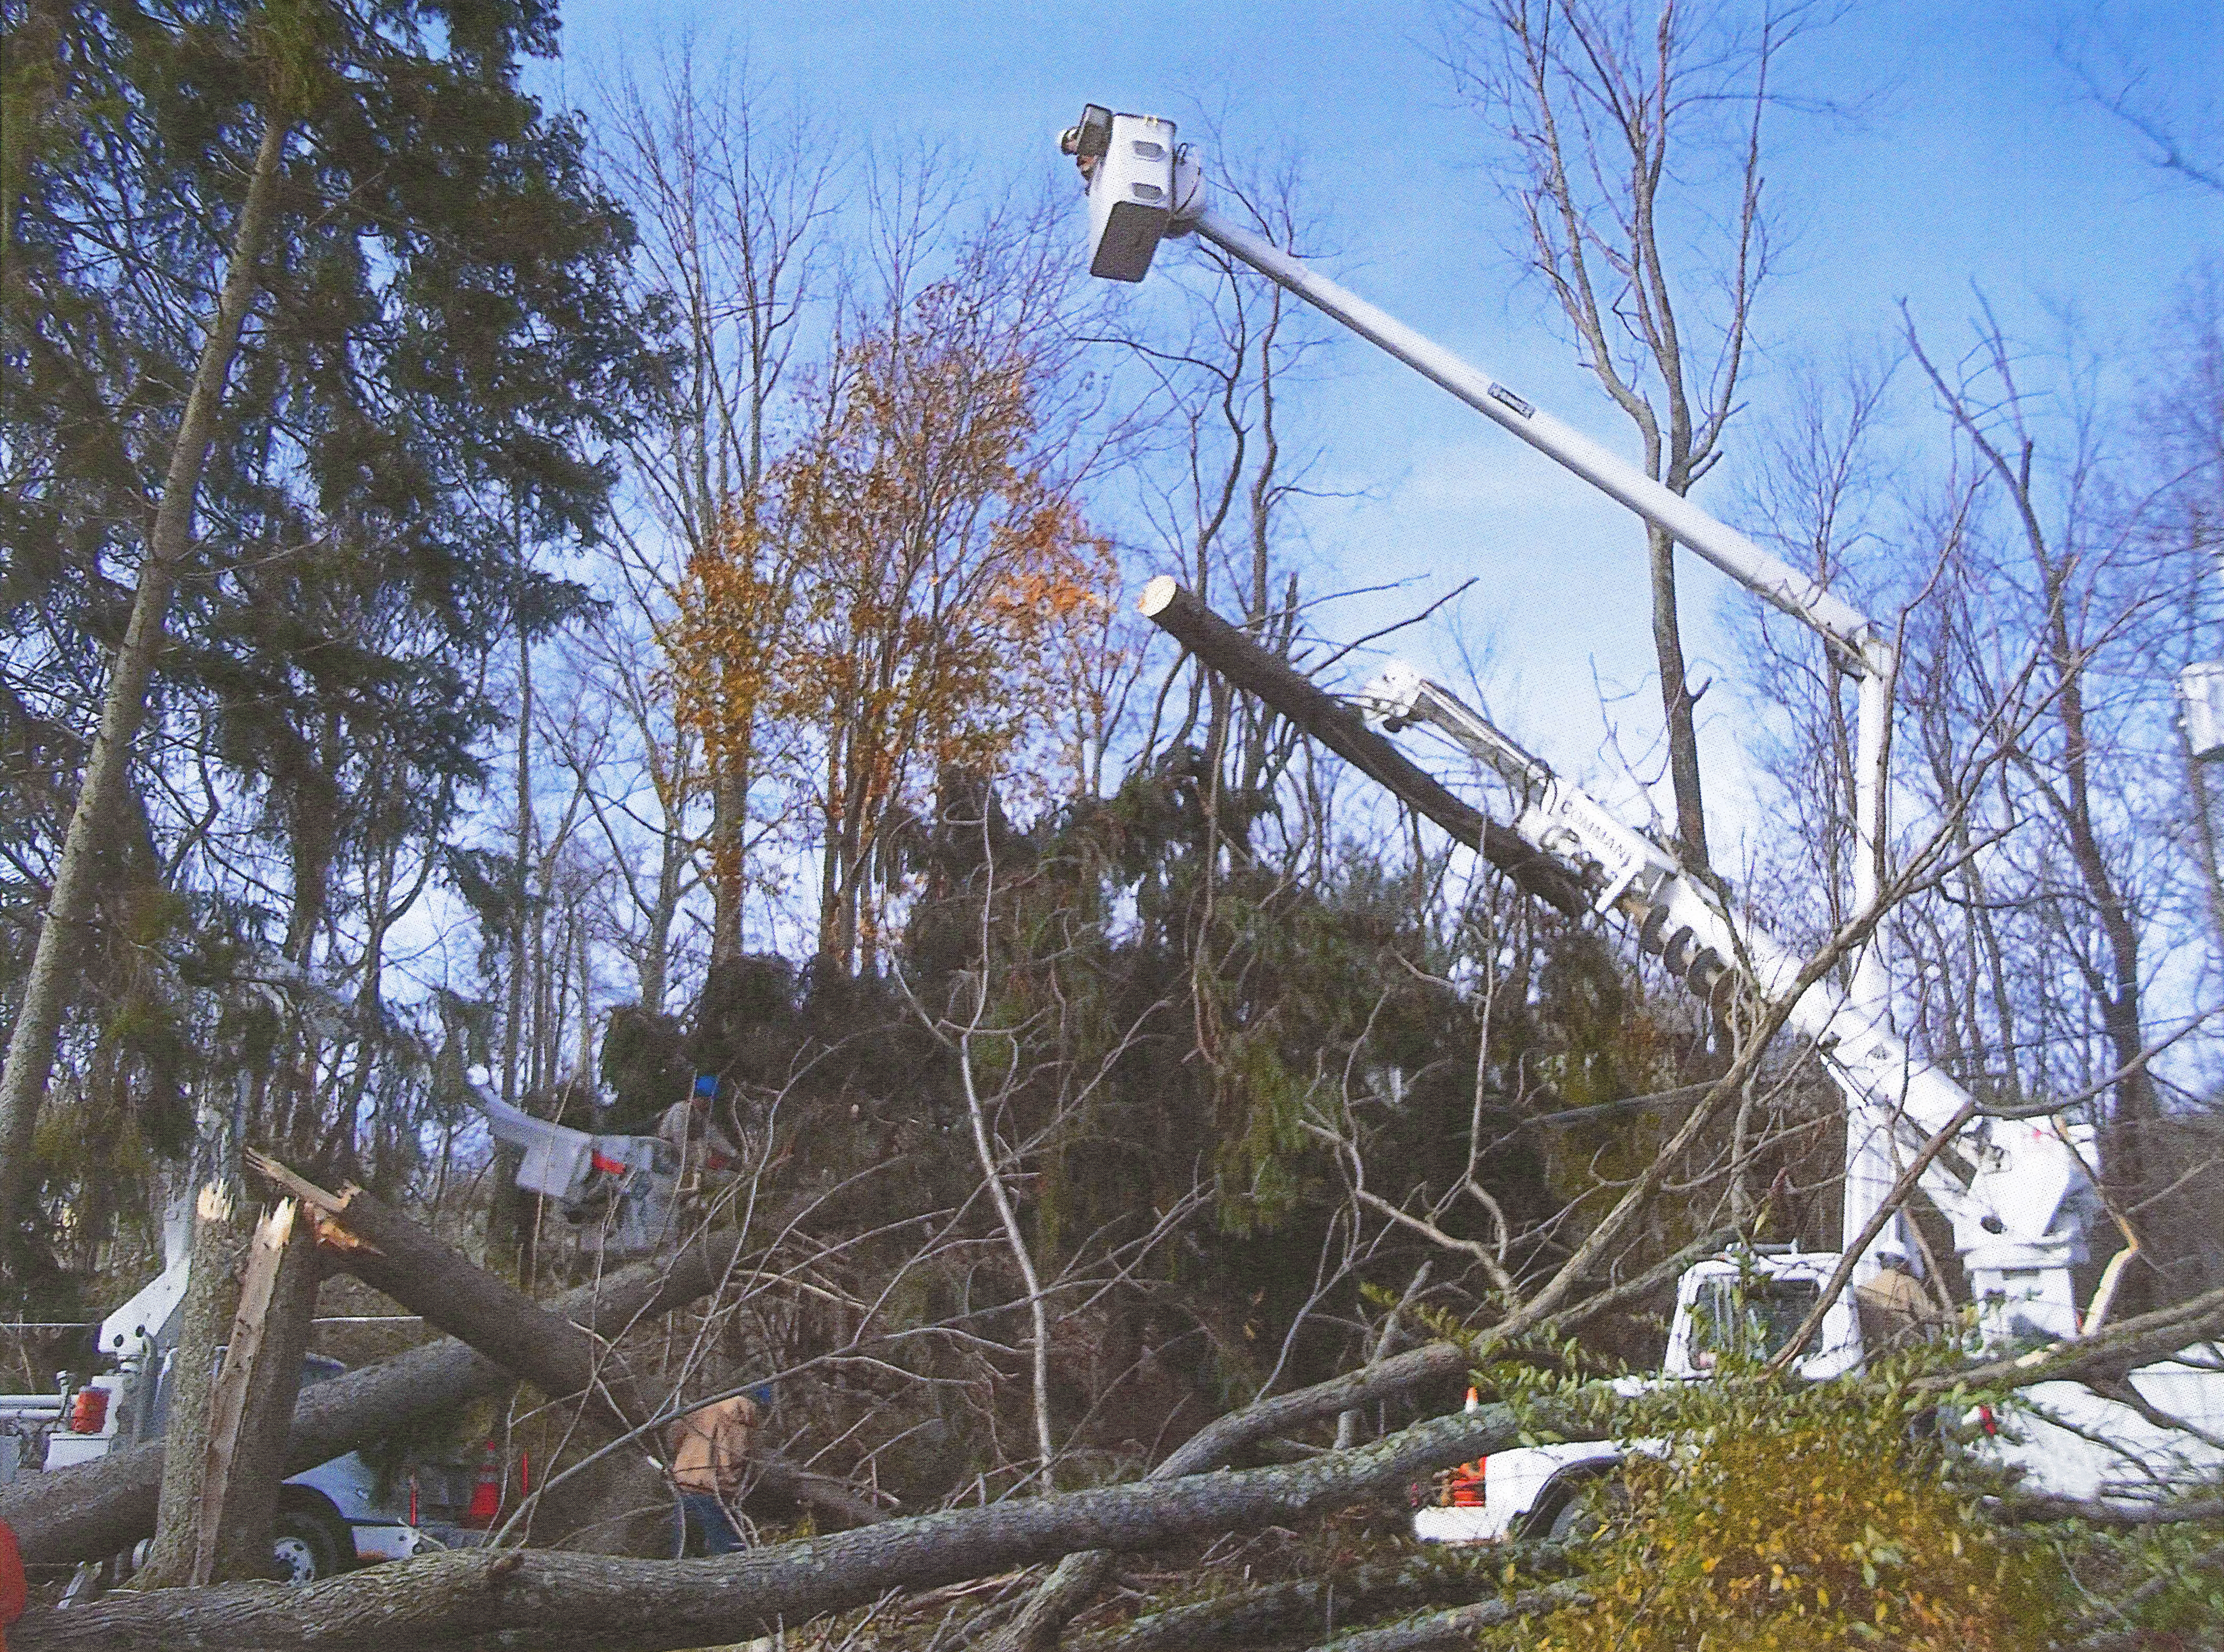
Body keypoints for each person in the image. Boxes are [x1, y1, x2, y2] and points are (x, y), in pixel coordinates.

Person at [669, 1389, 759, 1556]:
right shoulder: (740, 1413)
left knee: (682, 1550)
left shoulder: (701, 1408)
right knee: (729, 1550)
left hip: (685, 1486)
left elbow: (675, 1438)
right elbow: (735, 1455)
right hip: (712, 1490)